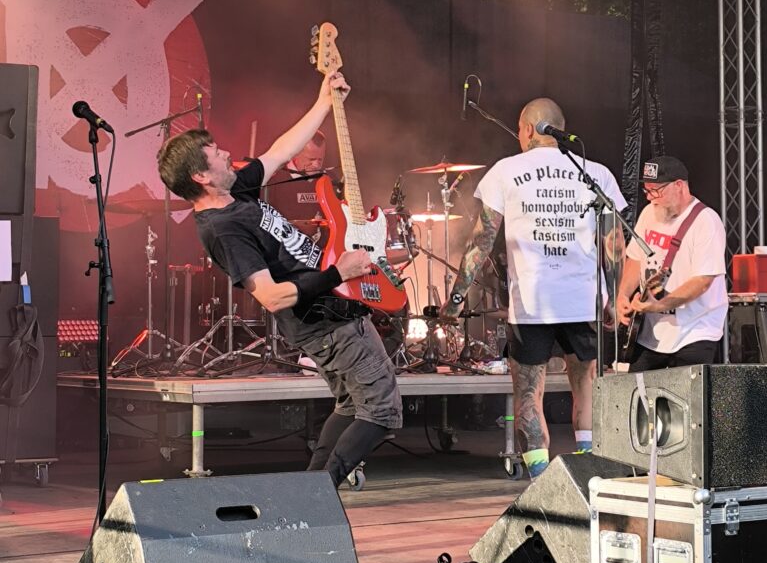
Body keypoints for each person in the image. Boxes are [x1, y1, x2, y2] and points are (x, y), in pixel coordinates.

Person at [157, 71, 402, 487]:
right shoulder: (222, 227)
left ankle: (310, 493)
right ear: (201, 177)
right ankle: (319, 494)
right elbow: (271, 296)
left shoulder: (236, 192)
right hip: (324, 322)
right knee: (382, 412)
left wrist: (324, 101)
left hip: (332, 314)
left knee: (349, 407)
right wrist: (338, 273)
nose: (227, 153)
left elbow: (279, 150)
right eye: (216, 153)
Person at [440, 97, 626, 478]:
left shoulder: (506, 171)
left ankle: (541, 479)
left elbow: (481, 242)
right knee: (586, 386)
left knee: (528, 394)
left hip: (532, 305)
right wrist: (613, 298)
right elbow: (614, 245)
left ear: (527, 130)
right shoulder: (595, 173)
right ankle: (586, 474)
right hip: (582, 301)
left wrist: (456, 299)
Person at [616, 156, 727, 370]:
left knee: (688, 391)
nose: (650, 198)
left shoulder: (706, 221)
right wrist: (623, 295)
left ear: (679, 186)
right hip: (651, 331)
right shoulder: (649, 213)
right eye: (647, 191)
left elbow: (703, 281)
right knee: (638, 389)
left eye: (656, 191)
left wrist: (660, 305)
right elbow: (636, 258)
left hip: (695, 329)